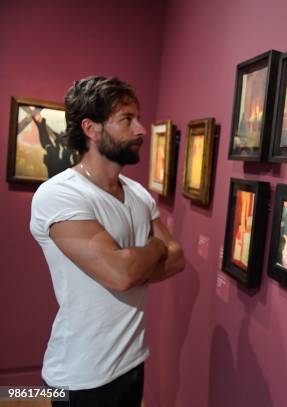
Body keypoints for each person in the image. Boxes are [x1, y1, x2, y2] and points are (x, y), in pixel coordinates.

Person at [29, 76, 185, 406]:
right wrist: (153, 249)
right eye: (127, 119)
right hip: (79, 378)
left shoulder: (139, 194)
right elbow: (120, 274)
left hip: (132, 362)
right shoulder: (59, 194)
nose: (141, 130)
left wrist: (138, 262)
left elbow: (177, 258)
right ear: (91, 128)